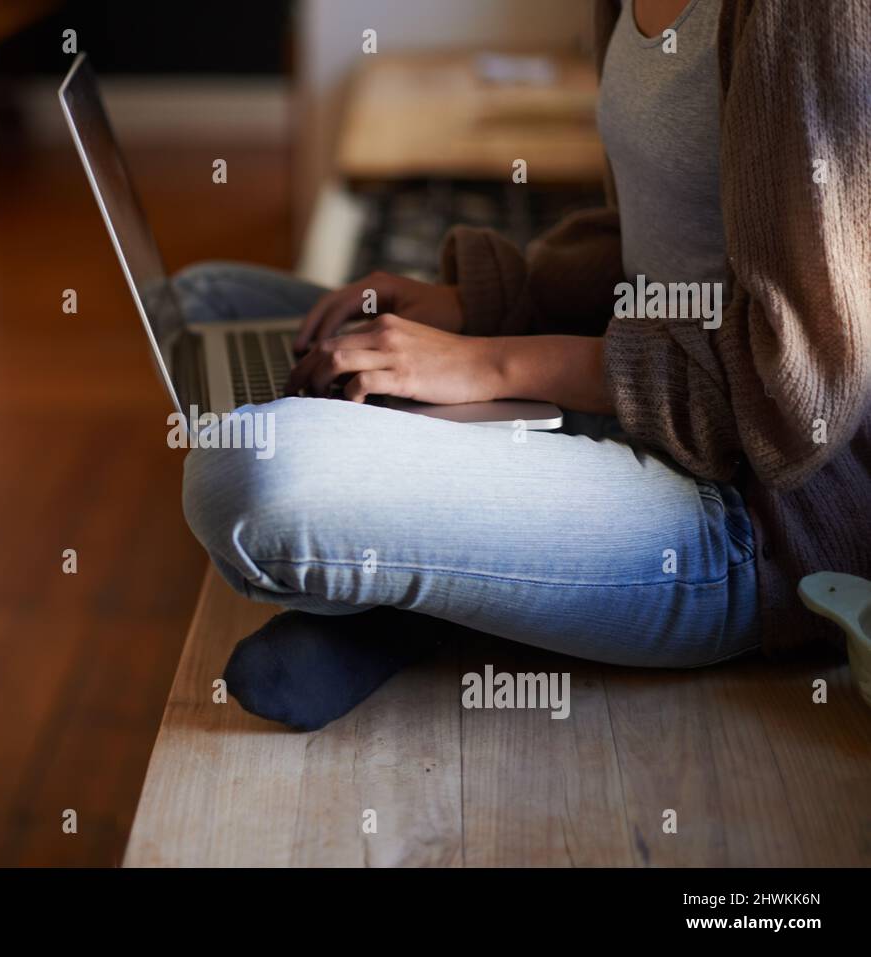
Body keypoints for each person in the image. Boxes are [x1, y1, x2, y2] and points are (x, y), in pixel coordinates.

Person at [174, 0, 871, 731]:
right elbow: (659, 249)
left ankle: (432, 603)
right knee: (212, 300)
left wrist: (495, 364)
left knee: (243, 466)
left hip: (758, 513)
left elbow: (797, 399)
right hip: (646, 405)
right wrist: (485, 301)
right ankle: (456, 593)